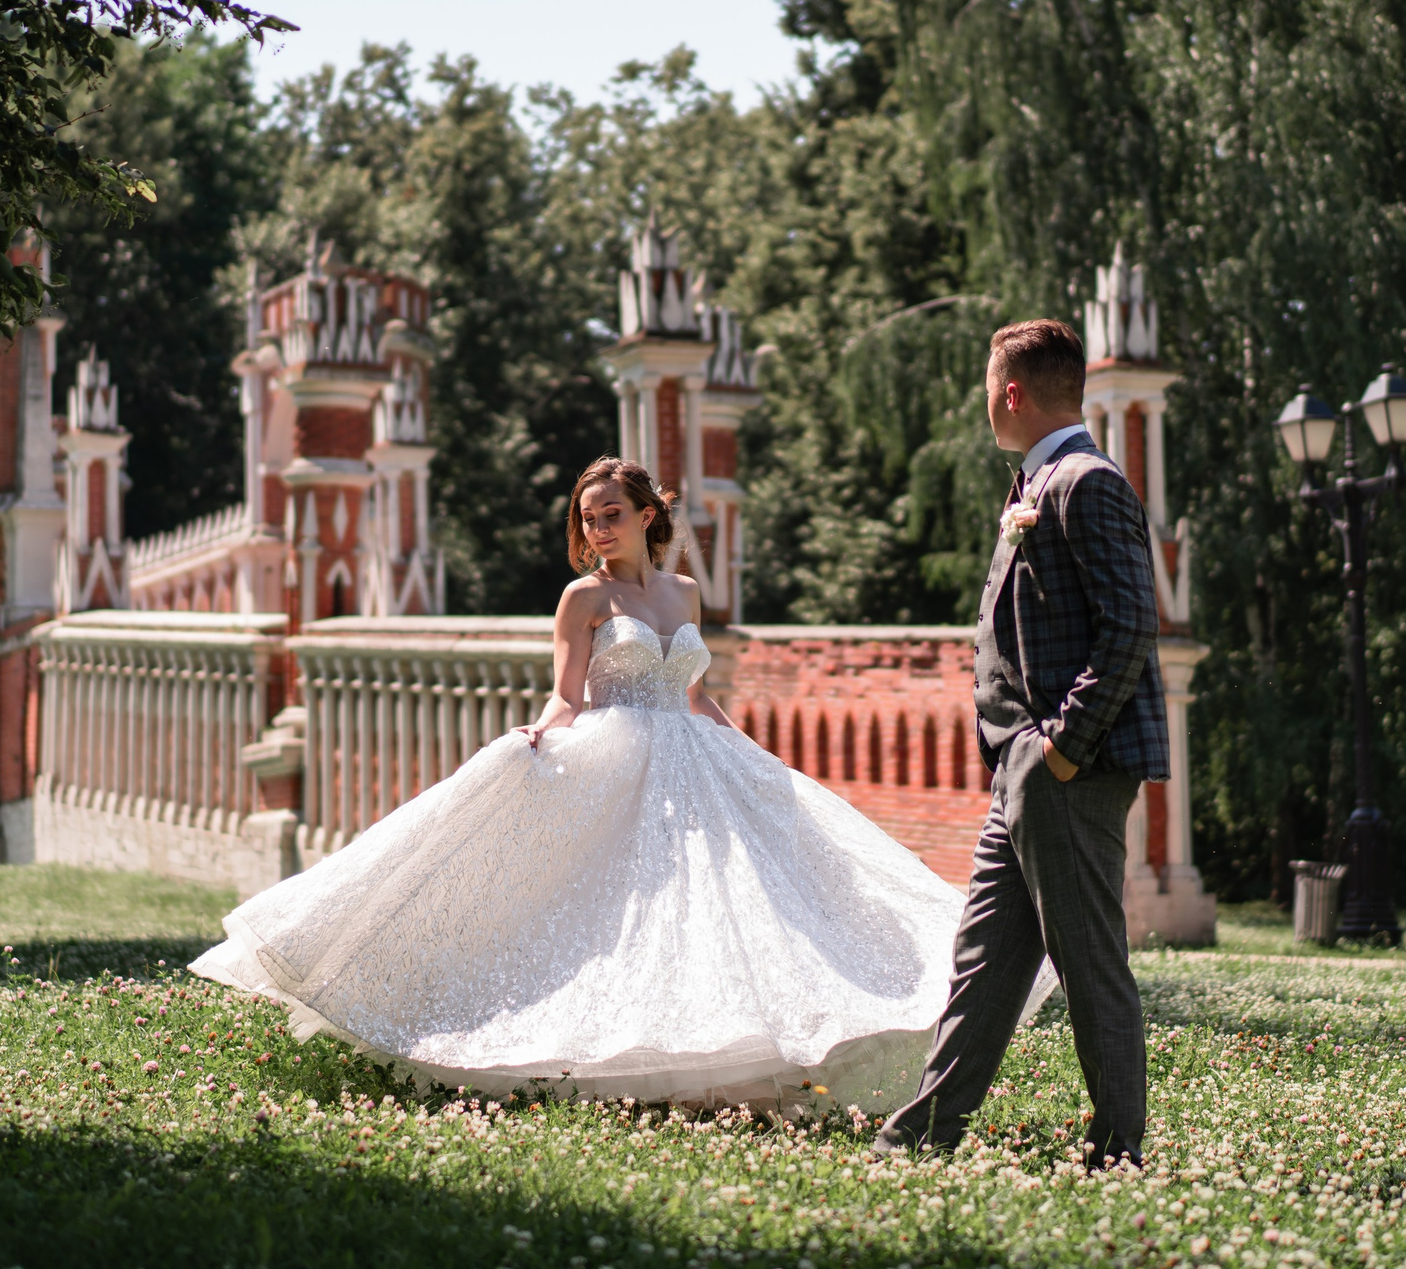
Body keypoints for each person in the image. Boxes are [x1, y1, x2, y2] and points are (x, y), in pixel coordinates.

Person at [190, 456, 1044, 1108]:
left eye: (611, 515)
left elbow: (696, 689)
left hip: (695, 755)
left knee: (729, 906)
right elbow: (567, 695)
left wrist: (748, 751)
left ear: (647, 515)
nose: (598, 528)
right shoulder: (581, 599)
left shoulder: (684, 590)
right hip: (617, 755)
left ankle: (736, 1053)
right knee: (623, 913)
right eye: (587, 518)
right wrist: (536, 736)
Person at [874, 318, 1168, 1170]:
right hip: (1024, 773)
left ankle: (1120, 1150)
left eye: (986, 385)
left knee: (1089, 963)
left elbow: (1130, 631)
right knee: (984, 961)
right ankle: (920, 1135)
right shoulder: (1033, 483)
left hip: (1063, 771)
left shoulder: (1085, 481)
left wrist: (1062, 748)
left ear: (1011, 391)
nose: (983, 400)